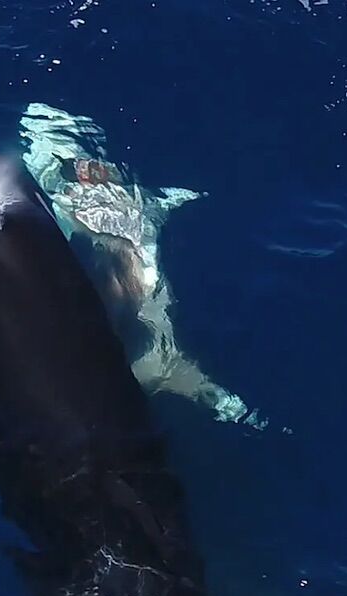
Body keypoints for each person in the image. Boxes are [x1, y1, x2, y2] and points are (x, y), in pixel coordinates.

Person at [20, 103, 263, 428]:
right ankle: (245, 418)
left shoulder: (87, 213)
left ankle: (241, 415)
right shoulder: (128, 209)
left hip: (121, 344)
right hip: (132, 335)